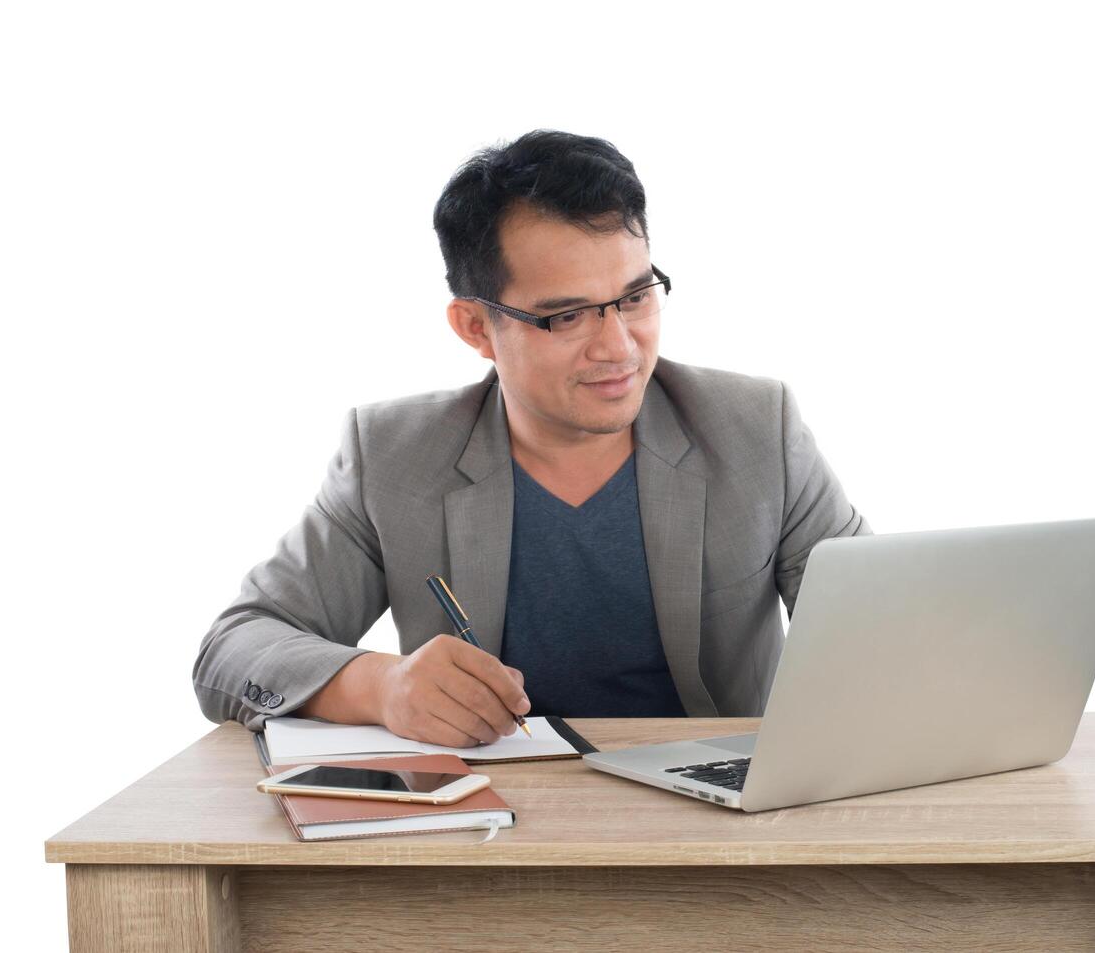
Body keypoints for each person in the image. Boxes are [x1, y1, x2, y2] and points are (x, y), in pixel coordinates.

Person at [192, 130, 871, 748]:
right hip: (491, 823)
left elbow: (885, 632)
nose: (618, 348)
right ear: (475, 328)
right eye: (567, 316)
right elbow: (233, 649)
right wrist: (380, 687)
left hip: (716, 816)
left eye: (635, 298)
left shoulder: (753, 429)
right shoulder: (394, 456)